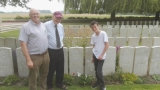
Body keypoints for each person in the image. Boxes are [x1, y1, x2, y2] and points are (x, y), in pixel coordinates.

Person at [19, 8, 50, 90]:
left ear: (39, 15)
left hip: (45, 55)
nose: (35, 15)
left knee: (44, 76)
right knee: (33, 79)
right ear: (29, 15)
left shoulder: (43, 25)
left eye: (37, 13)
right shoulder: (25, 27)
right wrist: (28, 60)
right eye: (33, 14)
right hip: (34, 57)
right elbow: (23, 44)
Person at [44, 11, 67, 90]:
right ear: (53, 16)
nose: (58, 19)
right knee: (51, 68)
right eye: (57, 17)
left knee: (60, 68)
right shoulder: (46, 25)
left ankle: (59, 84)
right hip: (51, 50)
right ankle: (49, 85)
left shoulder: (61, 26)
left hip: (60, 50)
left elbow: (62, 36)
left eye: (60, 18)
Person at [90, 21, 109, 90]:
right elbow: (94, 47)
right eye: (92, 27)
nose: (94, 28)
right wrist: (93, 56)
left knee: (99, 71)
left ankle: (103, 86)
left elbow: (107, 45)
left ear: (98, 26)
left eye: (95, 26)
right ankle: (97, 82)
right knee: (96, 70)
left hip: (101, 56)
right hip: (95, 55)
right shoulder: (93, 36)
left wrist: (102, 55)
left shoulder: (103, 34)